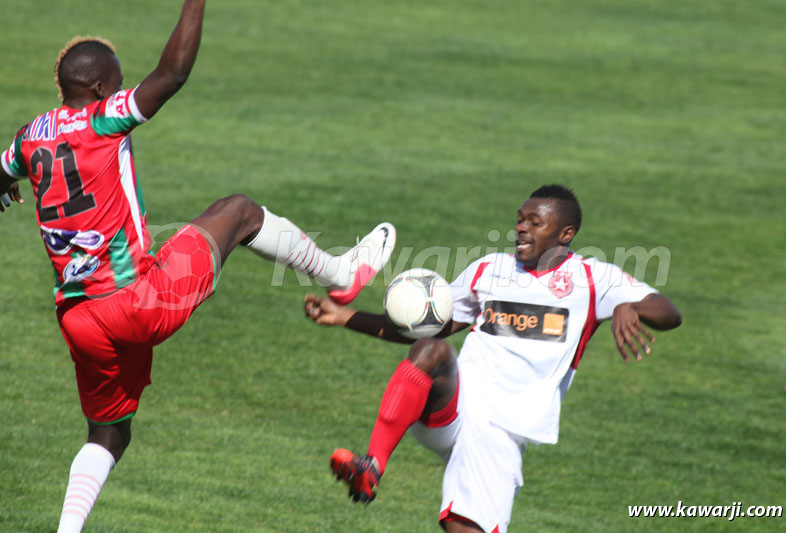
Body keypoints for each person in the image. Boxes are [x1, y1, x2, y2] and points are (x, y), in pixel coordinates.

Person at [0, 1, 397, 531]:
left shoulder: (29, 137)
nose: (123, 91)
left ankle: (67, 529)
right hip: (134, 302)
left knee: (110, 433)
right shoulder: (104, 118)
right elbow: (174, 73)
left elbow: (3, 172)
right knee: (237, 212)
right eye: (117, 84)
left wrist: (7, 189)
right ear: (99, 90)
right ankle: (342, 276)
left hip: (78, 318)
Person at [304, 184, 682, 533]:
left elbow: (668, 311)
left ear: (565, 234)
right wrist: (345, 317)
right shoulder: (490, 269)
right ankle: (372, 466)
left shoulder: (593, 278)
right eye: (520, 219)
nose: (521, 228)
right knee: (431, 349)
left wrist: (630, 307)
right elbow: (425, 326)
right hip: (454, 405)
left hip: (504, 430)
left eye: (536, 222)